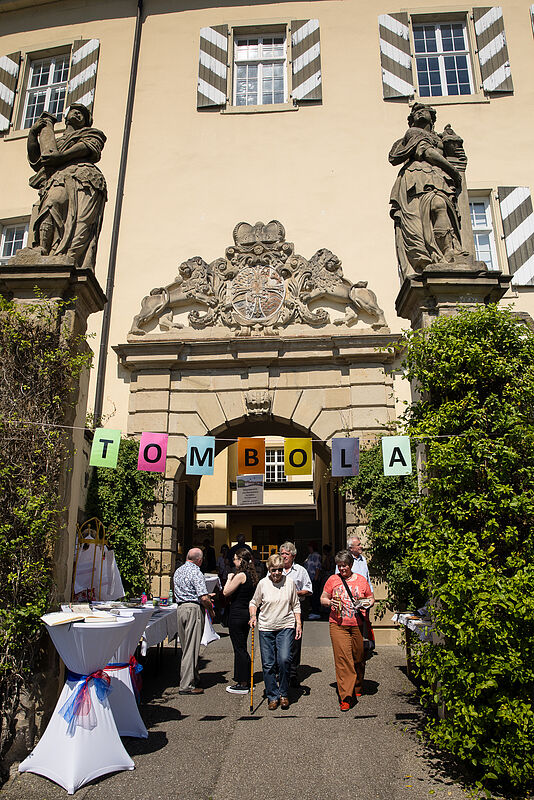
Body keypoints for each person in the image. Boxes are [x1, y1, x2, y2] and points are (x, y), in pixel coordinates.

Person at [389, 103, 466, 278]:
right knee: (436, 205)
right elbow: (427, 153)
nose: (419, 114)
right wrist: (452, 170)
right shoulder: (414, 133)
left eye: (424, 111)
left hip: (438, 177)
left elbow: (456, 156)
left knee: (443, 210)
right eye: (416, 112)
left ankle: (450, 251)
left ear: (432, 117)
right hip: (418, 177)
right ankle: (438, 253)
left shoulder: (438, 137)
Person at [26, 103, 107, 269]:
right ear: (66, 116)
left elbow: (88, 147)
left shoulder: (92, 134)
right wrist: (33, 134)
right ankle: (44, 248)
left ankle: (71, 260)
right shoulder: (55, 142)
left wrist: (60, 156)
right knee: (52, 203)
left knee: (82, 224)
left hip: (85, 179)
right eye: (74, 112)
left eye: (81, 114)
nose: (77, 115)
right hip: (58, 179)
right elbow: (37, 161)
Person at [321, 549, 374, 711]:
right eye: (339, 566)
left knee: (358, 658)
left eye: (345, 565)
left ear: (351, 565)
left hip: (357, 624)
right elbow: (323, 598)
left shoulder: (361, 580)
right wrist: (330, 603)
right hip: (338, 625)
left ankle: (357, 685)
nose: (342, 569)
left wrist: (367, 603)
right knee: (343, 660)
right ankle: (346, 696)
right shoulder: (332, 580)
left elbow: (371, 597)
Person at [249, 553, 301, 710]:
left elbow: (295, 604)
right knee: (268, 664)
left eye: (279, 570)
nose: (277, 573)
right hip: (266, 628)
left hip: (286, 626)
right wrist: (253, 615)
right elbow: (254, 602)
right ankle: (272, 695)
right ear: (268, 569)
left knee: (285, 659)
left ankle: (284, 693)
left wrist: (298, 623)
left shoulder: (290, 583)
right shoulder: (263, 584)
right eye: (273, 570)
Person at [173, 547, 214, 695]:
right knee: (192, 647)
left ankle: (194, 676)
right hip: (193, 609)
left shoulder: (179, 570)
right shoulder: (196, 572)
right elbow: (203, 597)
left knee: (186, 646)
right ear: (199, 560)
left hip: (181, 608)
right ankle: (186, 684)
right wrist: (210, 608)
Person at [223, 548, 258, 694]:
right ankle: (245, 677)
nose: (233, 561)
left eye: (236, 559)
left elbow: (225, 592)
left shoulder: (240, 576)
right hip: (245, 614)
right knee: (241, 646)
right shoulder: (252, 575)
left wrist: (229, 578)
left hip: (237, 614)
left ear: (241, 561)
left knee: (239, 648)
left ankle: (243, 681)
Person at [279, 542, 312, 686]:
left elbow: (309, 589)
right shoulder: (275, 569)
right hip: (278, 610)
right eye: (281, 553)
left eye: (286, 554)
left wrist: (294, 593)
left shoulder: (300, 571)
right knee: (278, 640)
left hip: (295, 609)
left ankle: (292, 673)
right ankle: (279, 670)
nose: (283, 556)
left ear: (293, 555)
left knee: (295, 642)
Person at [335, 536, 375, 604]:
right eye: (358, 545)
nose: (361, 546)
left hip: (364, 598)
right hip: (350, 598)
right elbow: (337, 580)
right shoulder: (344, 561)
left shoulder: (363, 559)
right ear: (351, 548)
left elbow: (367, 579)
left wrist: (371, 595)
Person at [304, 542, 323, 620]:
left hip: (314, 578)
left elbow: (318, 567)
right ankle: (313, 610)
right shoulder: (309, 555)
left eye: (310, 547)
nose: (309, 548)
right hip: (309, 578)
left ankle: (316, 612)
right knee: (311, 595)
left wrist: (316, 578)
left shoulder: (316, 556)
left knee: (315, 595)